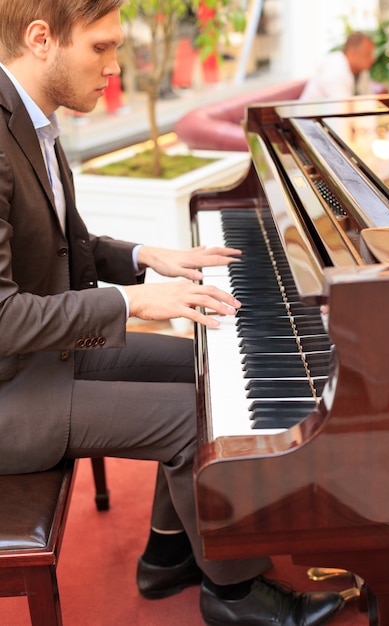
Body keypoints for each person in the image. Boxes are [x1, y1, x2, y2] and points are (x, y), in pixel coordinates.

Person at [0, 2, 345, 625]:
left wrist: (144, 256)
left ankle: (168, 554)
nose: (116, 65)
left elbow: (58, 242)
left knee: (203, 369)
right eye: (102, 48)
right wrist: (133, 300)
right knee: (198, 424)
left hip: (36, 359)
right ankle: (234, 596)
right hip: (9, 391)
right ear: (41, 39)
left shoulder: (30, 120)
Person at [300, 31, 376, 101]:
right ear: (352, 55)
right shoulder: (335, 72)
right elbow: (344, 111)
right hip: (311, 115)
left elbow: (369, 102)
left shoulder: (362, 72)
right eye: (367, 54)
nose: (373, 59)